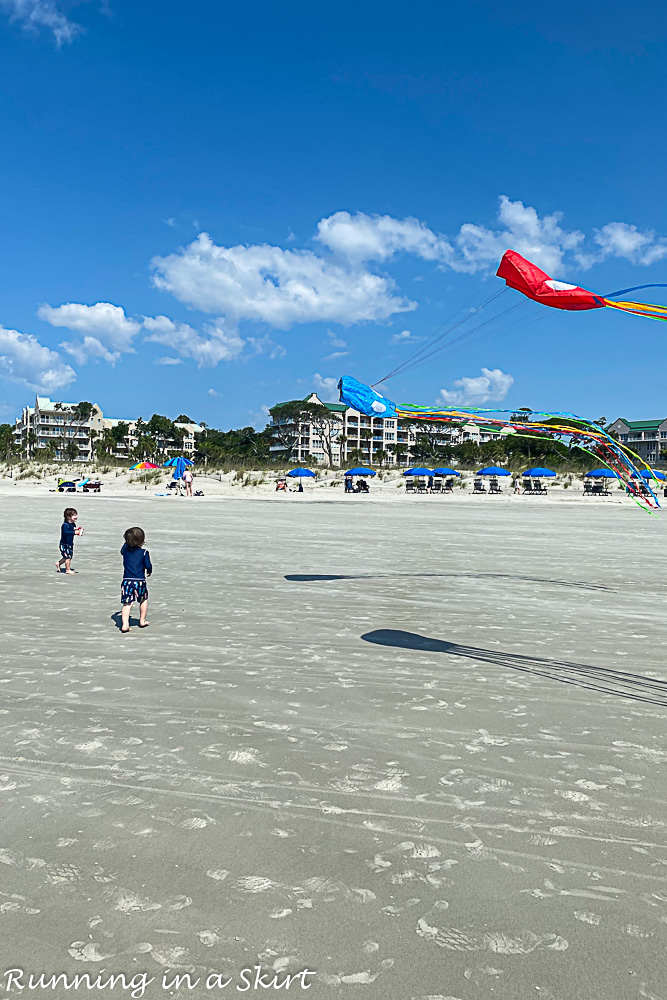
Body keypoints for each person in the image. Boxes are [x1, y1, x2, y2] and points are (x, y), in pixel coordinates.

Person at [120, 526, 152, 633]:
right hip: (139, 581)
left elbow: (122, 549)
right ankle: (142, 620)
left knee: (127, 604)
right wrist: (149, 570)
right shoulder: (144, 553)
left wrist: (127, 542)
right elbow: (148, 565)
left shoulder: (125, 552)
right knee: (143, 599)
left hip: (127, 581)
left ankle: (125, 624)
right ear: (142, 541)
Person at [56, 507, 83, 574]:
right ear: (68, 517)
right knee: (67, 557)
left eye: (76, 514)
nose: (76, 516)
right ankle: (67, 570)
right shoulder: (65, 525)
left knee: (69, 556)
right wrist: (74, 532)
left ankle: (58, 563)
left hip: (70, 543)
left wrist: (77, 530)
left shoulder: (73, 524)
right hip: (64, 544)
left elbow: (72, 530)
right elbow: (66, 532)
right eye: (74, 515)